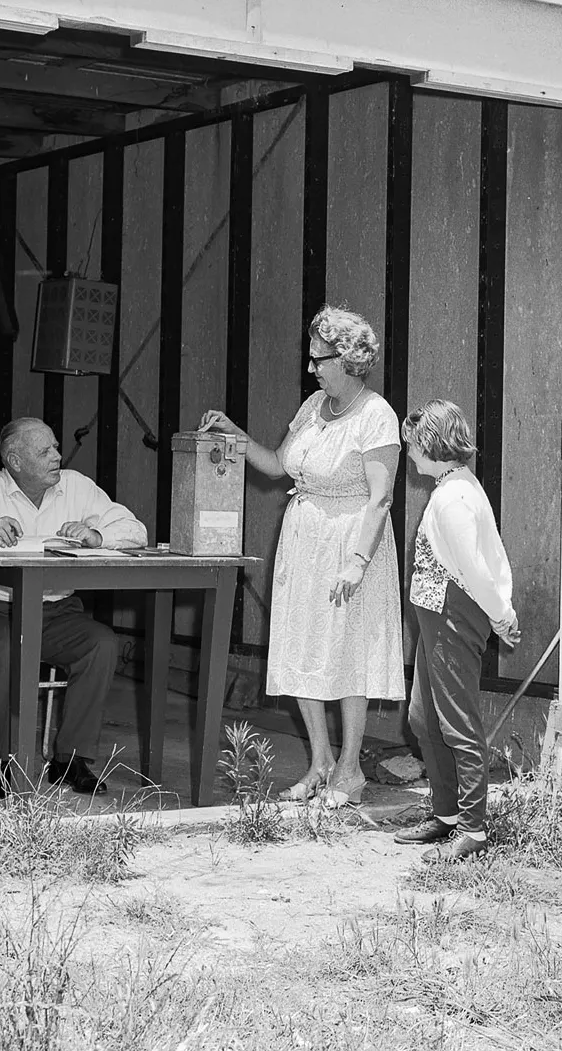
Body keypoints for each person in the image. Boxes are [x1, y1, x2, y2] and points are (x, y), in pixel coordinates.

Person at [199, 304, 403, 808]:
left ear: (350, 359)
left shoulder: (376, 416)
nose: (311, 367)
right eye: (311, 358)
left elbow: (380, 498)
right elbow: (275, 466)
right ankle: (321, 764)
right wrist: (234, 433)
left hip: (351, 543)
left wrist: (357, 559)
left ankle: (351, 770)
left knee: (348, 651)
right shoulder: (313, 406)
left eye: (320, 358)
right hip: (304, 541)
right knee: (302, 647)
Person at [0, 417, 147, 794]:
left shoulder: (77, 487)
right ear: (15, 460)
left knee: (101, 644)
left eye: (56, 447)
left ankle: (70, 760)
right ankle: (7, 761)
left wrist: (98, 535)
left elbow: (135, 530)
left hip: (54, 612)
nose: (57, 456)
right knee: (7, 649)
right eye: (45, 451)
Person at [393, 399, 520, 861]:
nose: (409, 454)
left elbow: (475, 567)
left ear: (430, 445)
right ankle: (446, 815)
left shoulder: (454, 498)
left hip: (453, 616)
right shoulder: (450, 488)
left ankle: (473, 828)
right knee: (423, 720)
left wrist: (501, 615)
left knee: (456, 723)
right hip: (435, 616)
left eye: (413, 446)